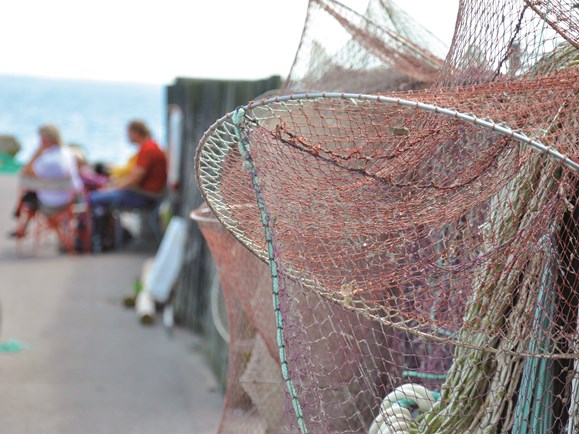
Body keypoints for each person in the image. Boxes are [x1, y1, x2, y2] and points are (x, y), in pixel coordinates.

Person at [89, 120, 167, 251]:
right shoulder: (151, 146)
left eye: (129, 133)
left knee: (93, 198)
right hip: (145, 193)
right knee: (98, 196)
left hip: (145, 196)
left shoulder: (148, 149)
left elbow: (133, 180)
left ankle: (99, 242)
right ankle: (108, 237)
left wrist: (112, 188)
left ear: (136, 132)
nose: (127, 136)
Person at [10, 124, 83, 238]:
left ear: (45, 140)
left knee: (29, 196)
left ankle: (22, 225)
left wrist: (36, 153)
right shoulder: (68, 153)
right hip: (70, 201)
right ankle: (24, 227)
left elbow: (25, 173)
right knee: (32, 194)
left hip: (50, 204)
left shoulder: (45, 160)